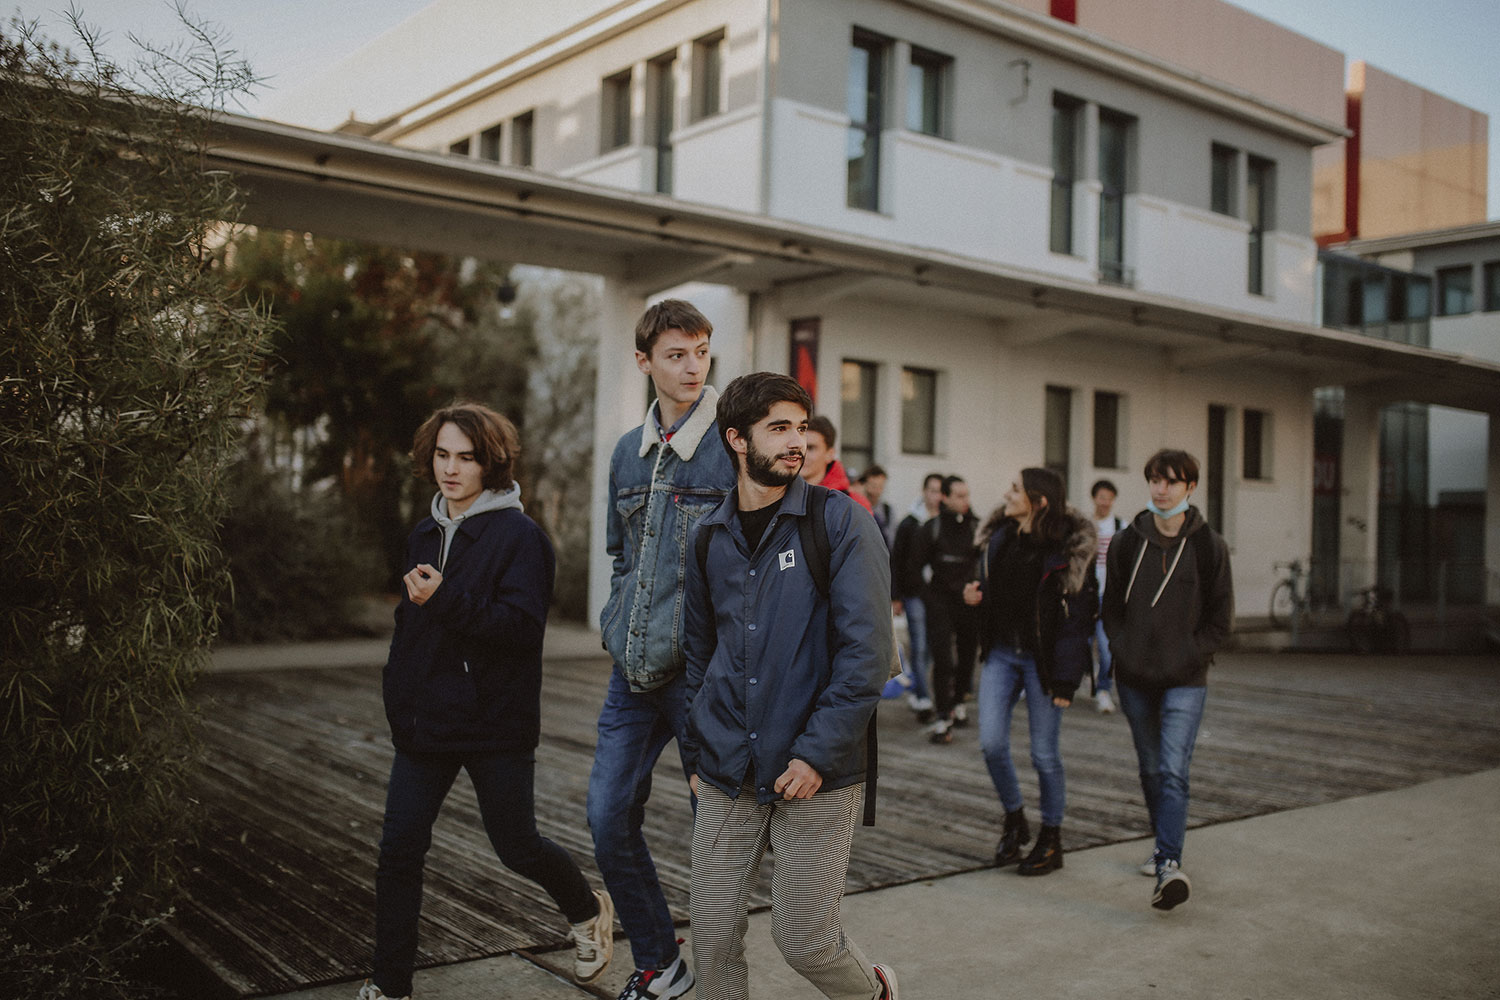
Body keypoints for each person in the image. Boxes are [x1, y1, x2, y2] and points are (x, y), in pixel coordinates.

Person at [358, 403, 612, 1000]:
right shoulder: (421, 533)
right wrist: (399, 694)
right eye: (442, 455)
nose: (451, 469)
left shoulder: (520, 537)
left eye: (465, 458)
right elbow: (409, 626)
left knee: (516, 845)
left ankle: (584, 908)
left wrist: (445, 599)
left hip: (495, 721)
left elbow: (521, 630)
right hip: (425, 723)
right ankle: (389, 986)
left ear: (489, 462)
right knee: (399, 849)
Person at [681, 371, 899, 1000]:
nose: (796, 440)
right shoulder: (708, 538)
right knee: (712, 936)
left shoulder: (840, 524)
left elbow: (869, 654)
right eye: (779, 428)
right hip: (727, 765)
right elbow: (699, 654)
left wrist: (815, 753)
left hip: (818, 768)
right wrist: (697, 755)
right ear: (737, 439)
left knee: (805, 938)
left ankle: (874, 992)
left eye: (801, 427)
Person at [589, 299, 735, 1000]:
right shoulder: (625, 451)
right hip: (631, 673)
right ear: (645, 361)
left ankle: (719, 976)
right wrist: (619, 622)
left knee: (716, 832)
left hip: (699, 680)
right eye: (675, 354)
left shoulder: (728, 447)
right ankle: (659, 962)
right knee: (607, 815)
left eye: (701, 352)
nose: (691, 366)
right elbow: (620, 558)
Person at [1103, 449, 1233, 912]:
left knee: (1174, 769)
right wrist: (1124, 648)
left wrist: (1191, 653)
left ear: (1190, 487)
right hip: (1135, 676)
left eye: (1172, 482)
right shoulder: (1126, 542)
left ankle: (1168, 863)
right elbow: (1111, 608)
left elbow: (1221, 617)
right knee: (1151, 766)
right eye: (1155, 480)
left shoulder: (1207, 545)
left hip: (1186, 679)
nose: (1161, 489)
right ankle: (1163, 843)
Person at [963, 468, 1097, 875]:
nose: (1007, 493)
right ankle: (1015, 817)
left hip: (1043, 662)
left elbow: (1077, 618)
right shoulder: (1001, 538)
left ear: (1038, 501)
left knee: (1043, 753)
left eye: (1016, 489)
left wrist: (1066, 679)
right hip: (1002, 654)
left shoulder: (1065, 549)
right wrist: (975, 596)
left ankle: (1051, 838)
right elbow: (992, 593)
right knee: (991, 743)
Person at [912, 475, 980, 744]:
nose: (966, 501)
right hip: (939, 603)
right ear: (946, 498)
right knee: (942, 659)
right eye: (960, 496)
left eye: (967, 495)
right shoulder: (932, 528)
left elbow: (985, 567)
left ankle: (959, 703)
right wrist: (928, 597)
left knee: (966, 657)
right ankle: (943, 717)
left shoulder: (977, 527)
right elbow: (914, 567)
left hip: (969, 604)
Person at [888, 473, 944, 720]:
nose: (936, 496)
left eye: (940, 491)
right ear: (924, 491)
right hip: (914, 594)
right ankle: (923, 698)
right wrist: (896, 595)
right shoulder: (910, 523)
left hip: (939, 596)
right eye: (931, 490)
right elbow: (897, 559)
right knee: (919, 646)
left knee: (932, 646)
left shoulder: (947, 523)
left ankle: (920, 690)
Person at [1089, 479, 1125, 715]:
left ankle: (1103, 689)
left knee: (1106, 647)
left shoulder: (1121, 526)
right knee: (1077, 646)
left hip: (1109, 597)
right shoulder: (1085, 525)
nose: (1105, 502)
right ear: (1094, 498)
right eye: (1101, 497)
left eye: (1109, 497)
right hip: (1085, 595)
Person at [800, 414, 866, 509]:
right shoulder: (778, 496)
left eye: (811, 448)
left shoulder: (854, 504)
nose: (803, 454)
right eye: (800, 447)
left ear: (830, 454)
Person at [855, 464, 895, 546]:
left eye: (880, 486)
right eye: (873, 486)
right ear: (864, 485)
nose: (877, 491)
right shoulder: (856, 508)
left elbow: (891, 540)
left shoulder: (887, 511)